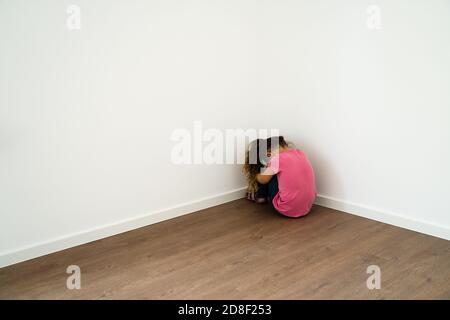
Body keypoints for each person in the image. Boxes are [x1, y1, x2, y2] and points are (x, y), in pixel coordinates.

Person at [244, 136, 316, 218]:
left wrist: (254, 173)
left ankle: (261, 197)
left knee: (267, 174)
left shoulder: (277, 159)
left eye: (268, 154)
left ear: (271, 149)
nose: (269, 157)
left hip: (286, 208)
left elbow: (263, 180)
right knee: (279, 172)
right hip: (307, 206)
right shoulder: (301, 153)